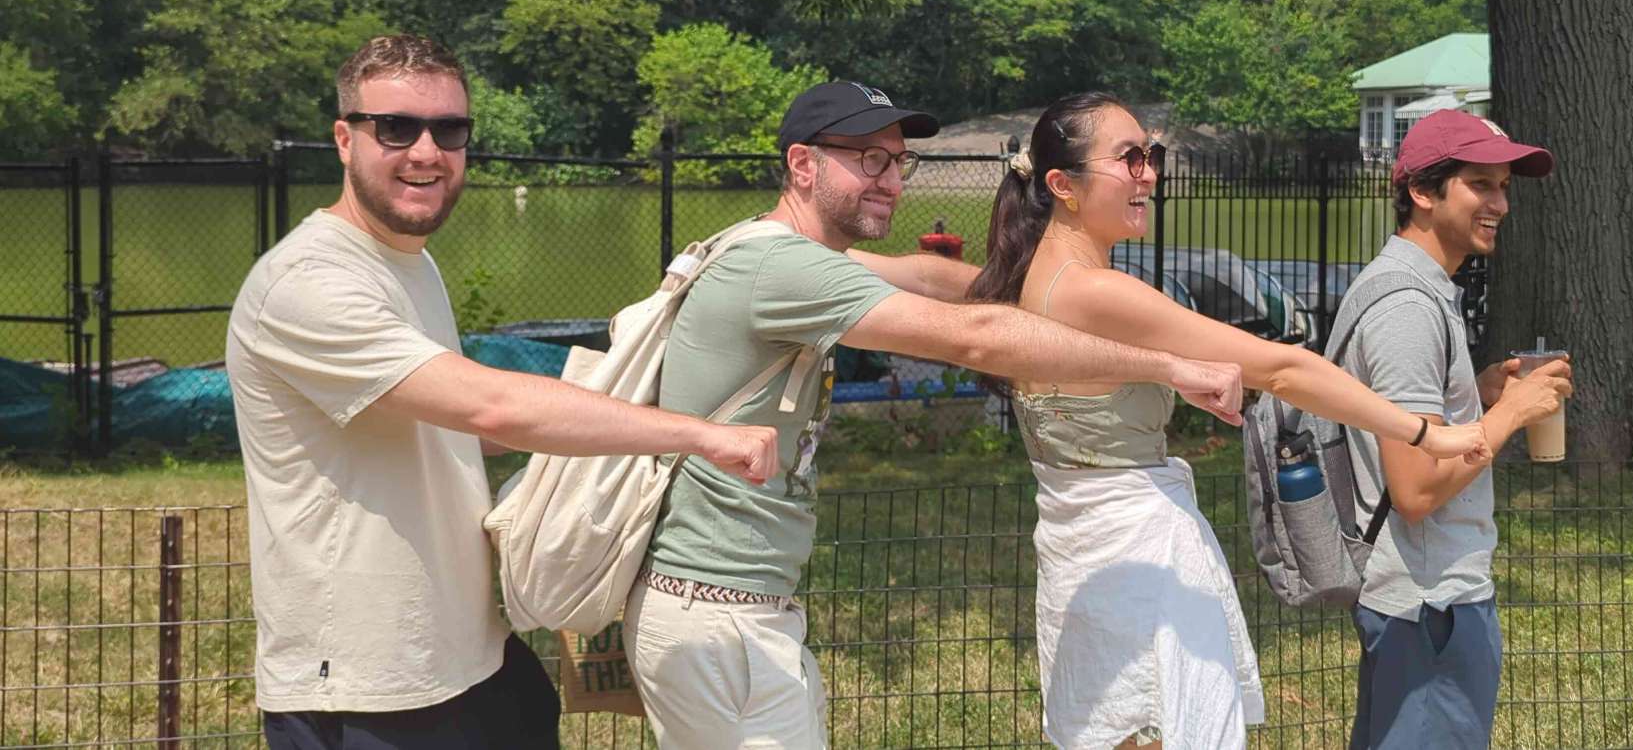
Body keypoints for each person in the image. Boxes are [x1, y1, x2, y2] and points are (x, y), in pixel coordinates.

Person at [626, 80, 1246, 750]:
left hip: (739, 611)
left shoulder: (779, 252)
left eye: (898, 161)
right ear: (803, 165)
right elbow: (976, 336)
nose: (891, 179)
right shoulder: (783, 265)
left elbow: (926, 277)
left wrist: (1050, 302)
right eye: (870, 159)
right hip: (717, 618)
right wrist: (1169, 364)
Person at [226, 35, 781, 750]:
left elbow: (461, 429)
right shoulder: (306, 283)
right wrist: (695, 432)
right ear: (343, 137)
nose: (426, 150)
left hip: (475, 655)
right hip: (371, 685)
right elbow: (489, 405)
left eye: (449, 129)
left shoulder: (408, 263)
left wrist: (609, 419)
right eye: (396, 126)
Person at [965, 92, 1492, 750]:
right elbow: (1284, 369)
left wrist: (1168, 373)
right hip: (1138, 555)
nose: (1148, 173)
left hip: (1078, 549)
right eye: (1129, 158)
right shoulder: (1095, 289)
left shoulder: (1027, 276)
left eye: (1151, 156)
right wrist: (1420, 429)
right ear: (1061, 185)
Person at [1338, 109, 1574, 749]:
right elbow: (1415, 488)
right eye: (1480, 184)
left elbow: (1418, 432)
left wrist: (1480, 394)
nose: (1499, 202)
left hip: (1426, 602)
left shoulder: (1416, 288)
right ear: (1422, 191)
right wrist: (1510, 414)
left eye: (1503, 186)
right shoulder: (1408, 307)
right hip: (1429, 604)